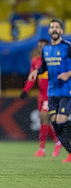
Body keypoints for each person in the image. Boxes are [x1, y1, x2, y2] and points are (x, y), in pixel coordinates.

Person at [28, 19, 71, 163]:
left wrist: (68, 74)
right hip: (52, 93)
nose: (54, 30)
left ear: (61, 31)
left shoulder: (67, 47)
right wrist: (36, 72)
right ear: (49, 31)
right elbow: (44, 67)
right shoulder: (46, 50)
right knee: (54, 123)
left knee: (61, 120)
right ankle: (70, 152)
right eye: (52, 27)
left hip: (66, 91)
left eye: (57, 27)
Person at [21, 39, 62, 157]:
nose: (41, 48)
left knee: (44, 117)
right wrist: (25, 90)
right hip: (41, 95)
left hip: (51, 93)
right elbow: (32, 76)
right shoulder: (35, 61)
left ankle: (42, 149)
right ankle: (57, 141)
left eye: (44, 46)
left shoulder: (54, 60)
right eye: (39, 46)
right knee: (44, 120)